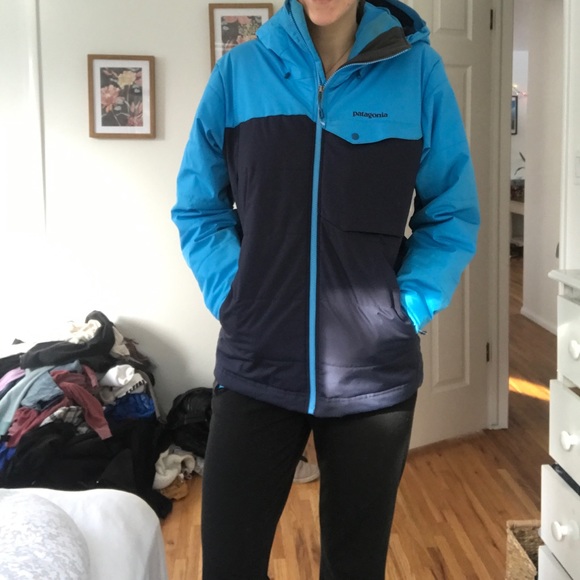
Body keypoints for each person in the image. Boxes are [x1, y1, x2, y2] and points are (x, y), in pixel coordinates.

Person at [171, 0, 480, 578]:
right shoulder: (240, 73)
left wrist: (406, 308)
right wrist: (234, 295)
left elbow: (451, 214)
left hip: (373, 375)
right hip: (256, 362)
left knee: (354, 567)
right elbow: (199, 206)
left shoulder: (418, 73)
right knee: (228, 565)